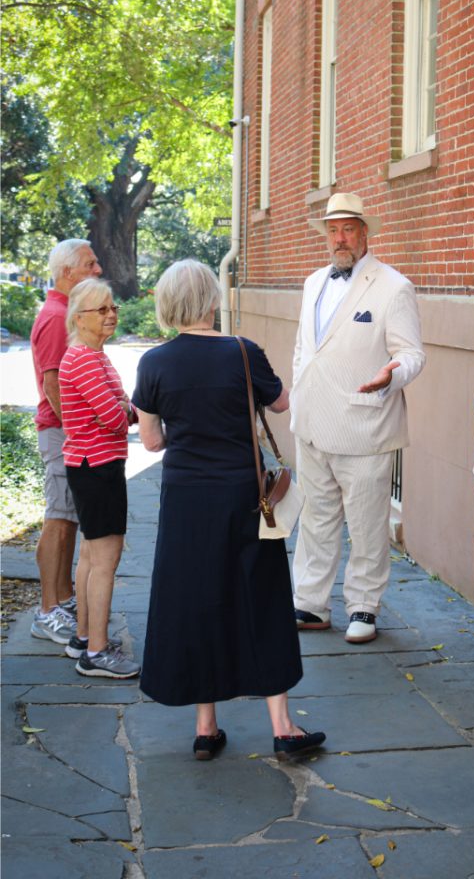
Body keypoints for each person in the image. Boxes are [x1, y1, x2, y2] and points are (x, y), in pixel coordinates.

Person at [133, 260, 324, 761]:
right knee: (261, 597)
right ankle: (283, 728)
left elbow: (151, 441)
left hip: (186, 502)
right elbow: (280, 403)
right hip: (245, 497)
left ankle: (205, 727)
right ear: (213, 301)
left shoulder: (153, 363)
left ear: (167, 304)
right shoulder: (243, 351)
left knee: (197, 599)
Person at [290, 193, 426, 644]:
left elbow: (411, 354)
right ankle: (310, 603)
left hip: (365, 425)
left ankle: (364, 607)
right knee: (315, 518)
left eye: (348, 228)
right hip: (311, 425)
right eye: (333, 229)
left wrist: (392, 376)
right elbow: (303, 348)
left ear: (366, 232)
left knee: (367, 524)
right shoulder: (313, 282)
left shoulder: (393, 286)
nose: (340, 238)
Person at [59, 278, 140, 679]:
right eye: (102, 310)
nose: (111, 315)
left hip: (90, 464)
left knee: (91, 556)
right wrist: (125, 410)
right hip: (97, 466)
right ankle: (96, 652)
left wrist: (124, 408)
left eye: (113, 308)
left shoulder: (91, 354)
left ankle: (82, 636)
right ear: (80, 317)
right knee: (106, 560)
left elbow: (120, 408)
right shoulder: (86, 359)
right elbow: (116, 417)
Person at [30, 239, 102, 645]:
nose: (97, 269)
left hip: (65, 432)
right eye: (90, 264)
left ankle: (62, 597)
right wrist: (78, 431)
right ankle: (46, 610)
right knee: (58, 519)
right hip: (61, 433)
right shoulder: (56, 315)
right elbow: (53, 382)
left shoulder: (64, 312)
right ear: (68, 272)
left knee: (67, 516)